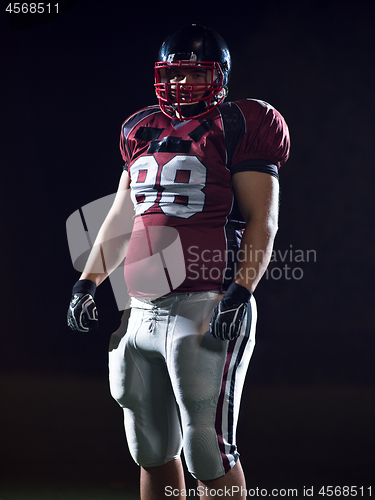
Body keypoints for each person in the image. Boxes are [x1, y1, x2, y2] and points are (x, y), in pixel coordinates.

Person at [67, 25, 290, 499]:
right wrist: (88, 282)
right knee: (150, 447)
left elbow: (261, 222)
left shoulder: (240, 124)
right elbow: (122, 215)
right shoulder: (140, 127)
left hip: (207, 303)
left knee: (207, 451)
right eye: (176, 73)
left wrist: (241, 290)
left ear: (220, 77)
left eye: (195, 72)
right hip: (141, 308)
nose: (182, 84)